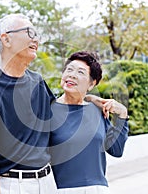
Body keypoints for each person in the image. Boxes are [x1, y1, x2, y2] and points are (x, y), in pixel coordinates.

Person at [0, 13, 57, 194]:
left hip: (48, 181)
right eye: (29, 32)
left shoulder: (38, 82)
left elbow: (62, 112)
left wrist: (92, 99)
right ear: (6, 39)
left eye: (37, 34)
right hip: (15, 185)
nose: (36, 39)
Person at [49, 51, 129, 194]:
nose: (72, 75)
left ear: (92, 84)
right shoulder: (48, 110)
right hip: (60, 189)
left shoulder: (97, 110)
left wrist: (122, 115)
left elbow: (116, 150)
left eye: (80, 72)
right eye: (69, 69)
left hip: (97, 189)